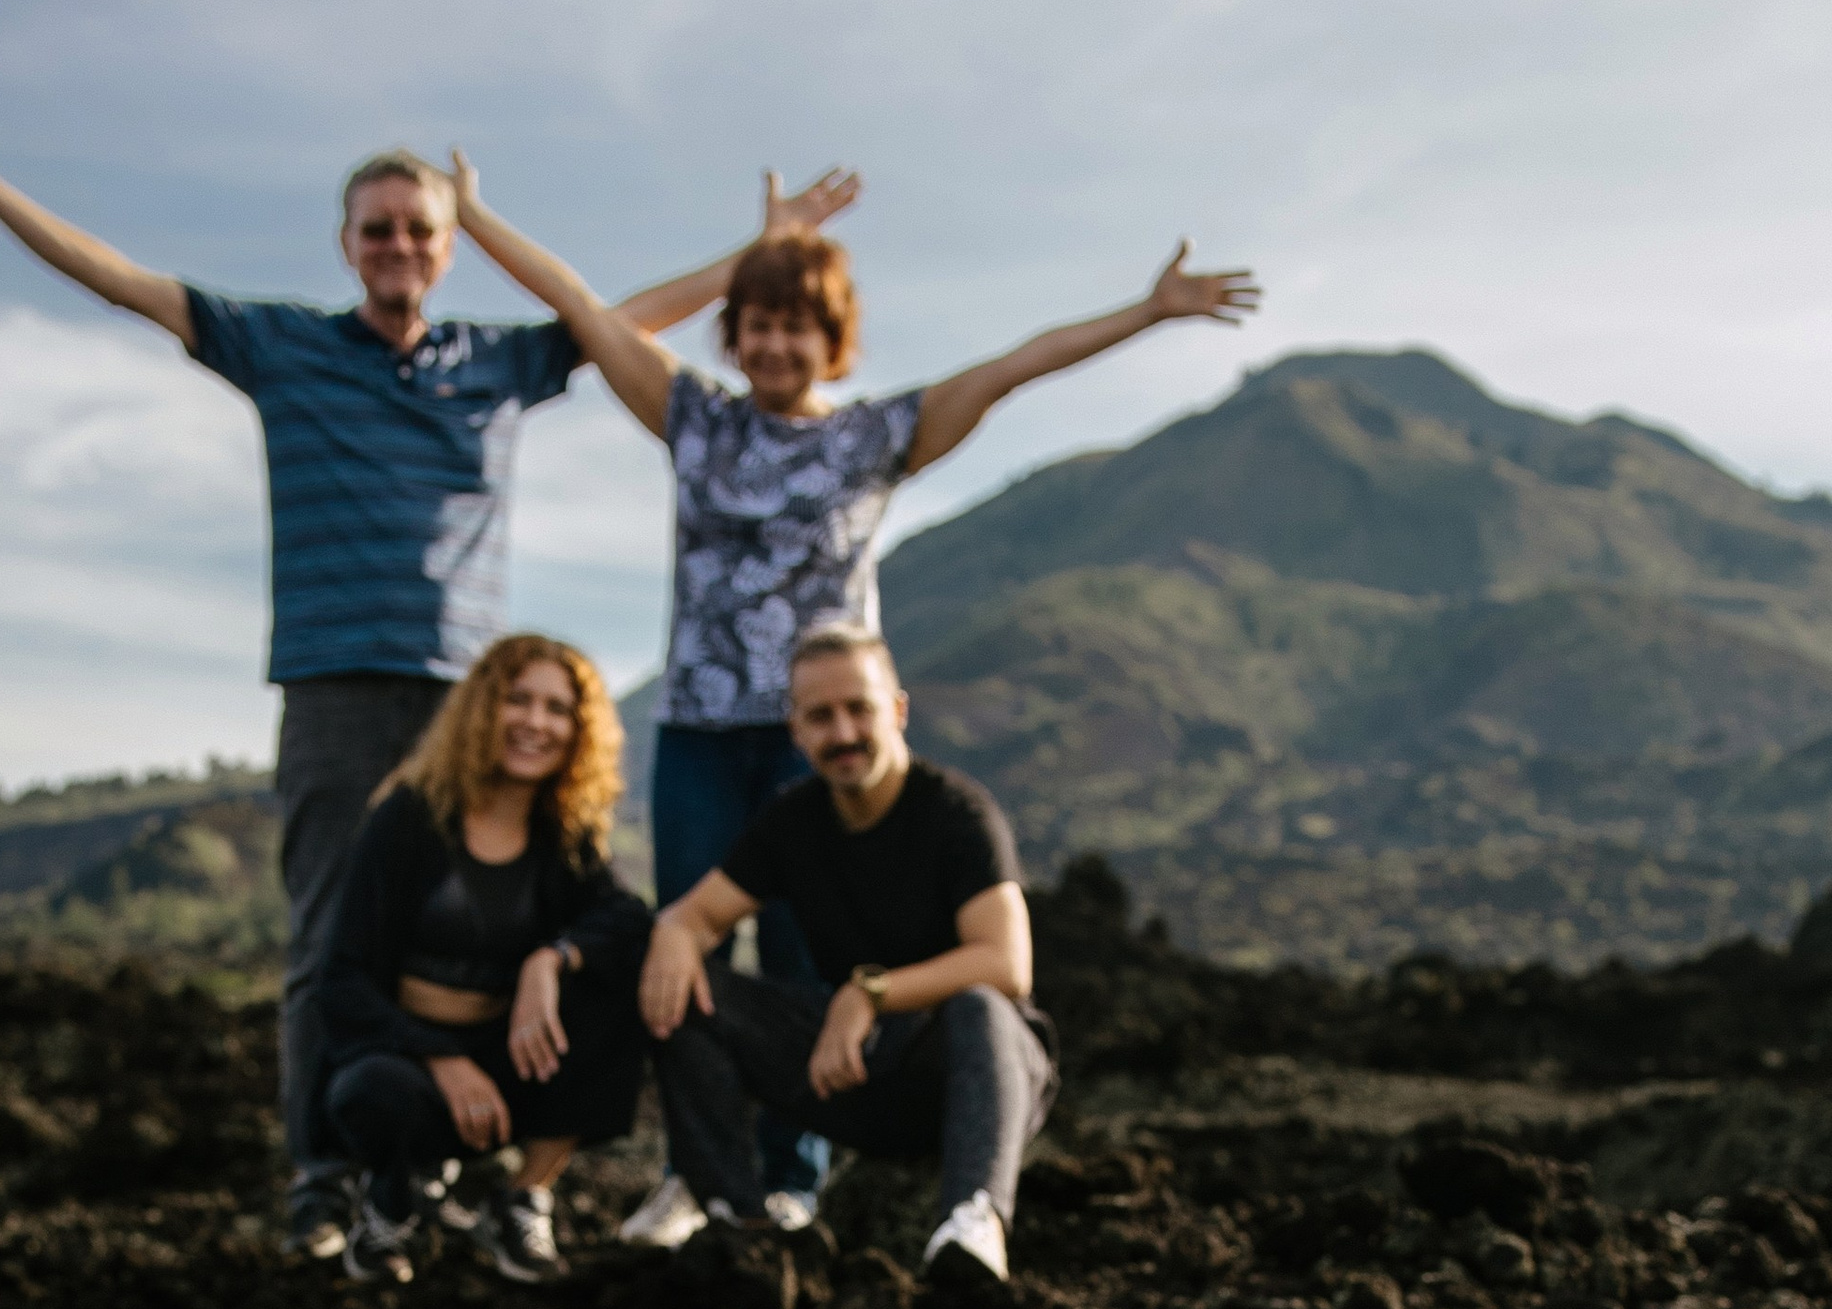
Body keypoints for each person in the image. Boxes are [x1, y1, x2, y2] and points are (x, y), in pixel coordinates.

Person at [0, 93, 852, 1253]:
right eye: (377, 228)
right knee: (332, 932)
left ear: (446, 247)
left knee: (502, 932)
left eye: (418, 228)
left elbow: (615, 318)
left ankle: (464, 1173)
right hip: (334, 683)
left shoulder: (495, 361)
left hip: (469, 703)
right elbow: (126, 284)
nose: (398, 245)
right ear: (347, 244)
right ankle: (327, 1180)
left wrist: (763, 253)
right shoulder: (281, 345)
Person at [438, 154, 1255, 1248]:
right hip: (700, 732)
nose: (776, 346)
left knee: (802, 961)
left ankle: (794, 1178)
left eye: (798, 327)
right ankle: (696, 1175)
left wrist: (1148, 313)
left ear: (833, 340)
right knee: (686, 958)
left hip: (812, 746)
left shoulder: (873, 437)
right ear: (735, 336)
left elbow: (1013, 368)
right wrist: (475, 216)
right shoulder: (696, 419)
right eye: (758, 326)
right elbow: (581, 307)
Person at [637, 622, 1055, 1288]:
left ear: (898, 710)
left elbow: (1007, 966)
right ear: (796, 731)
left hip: (970, 1076)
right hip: (856, 1075)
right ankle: (741, 1223)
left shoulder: (958, 814)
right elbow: (696, 917)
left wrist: (868, 993)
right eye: (821, 717)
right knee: (690, 990)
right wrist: (672, 933)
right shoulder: (793, 821)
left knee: (979, 1006)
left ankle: (973, 1226)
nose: (843, 733)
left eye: (859, 709)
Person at [311, 633, 649, 1286]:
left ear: (578, 732)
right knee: (372, 1094)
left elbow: (626, 917)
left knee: (625, 977)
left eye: (557, 709)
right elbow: (341, 979)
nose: (536, 722)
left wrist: (549, 961)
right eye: (518, 700)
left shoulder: (563, 833)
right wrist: (441, 1058)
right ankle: (390, 1205)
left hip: (511, 1059)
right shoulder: (409, 817)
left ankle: (522, 1197)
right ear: (481, 710)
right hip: (407, 1058)